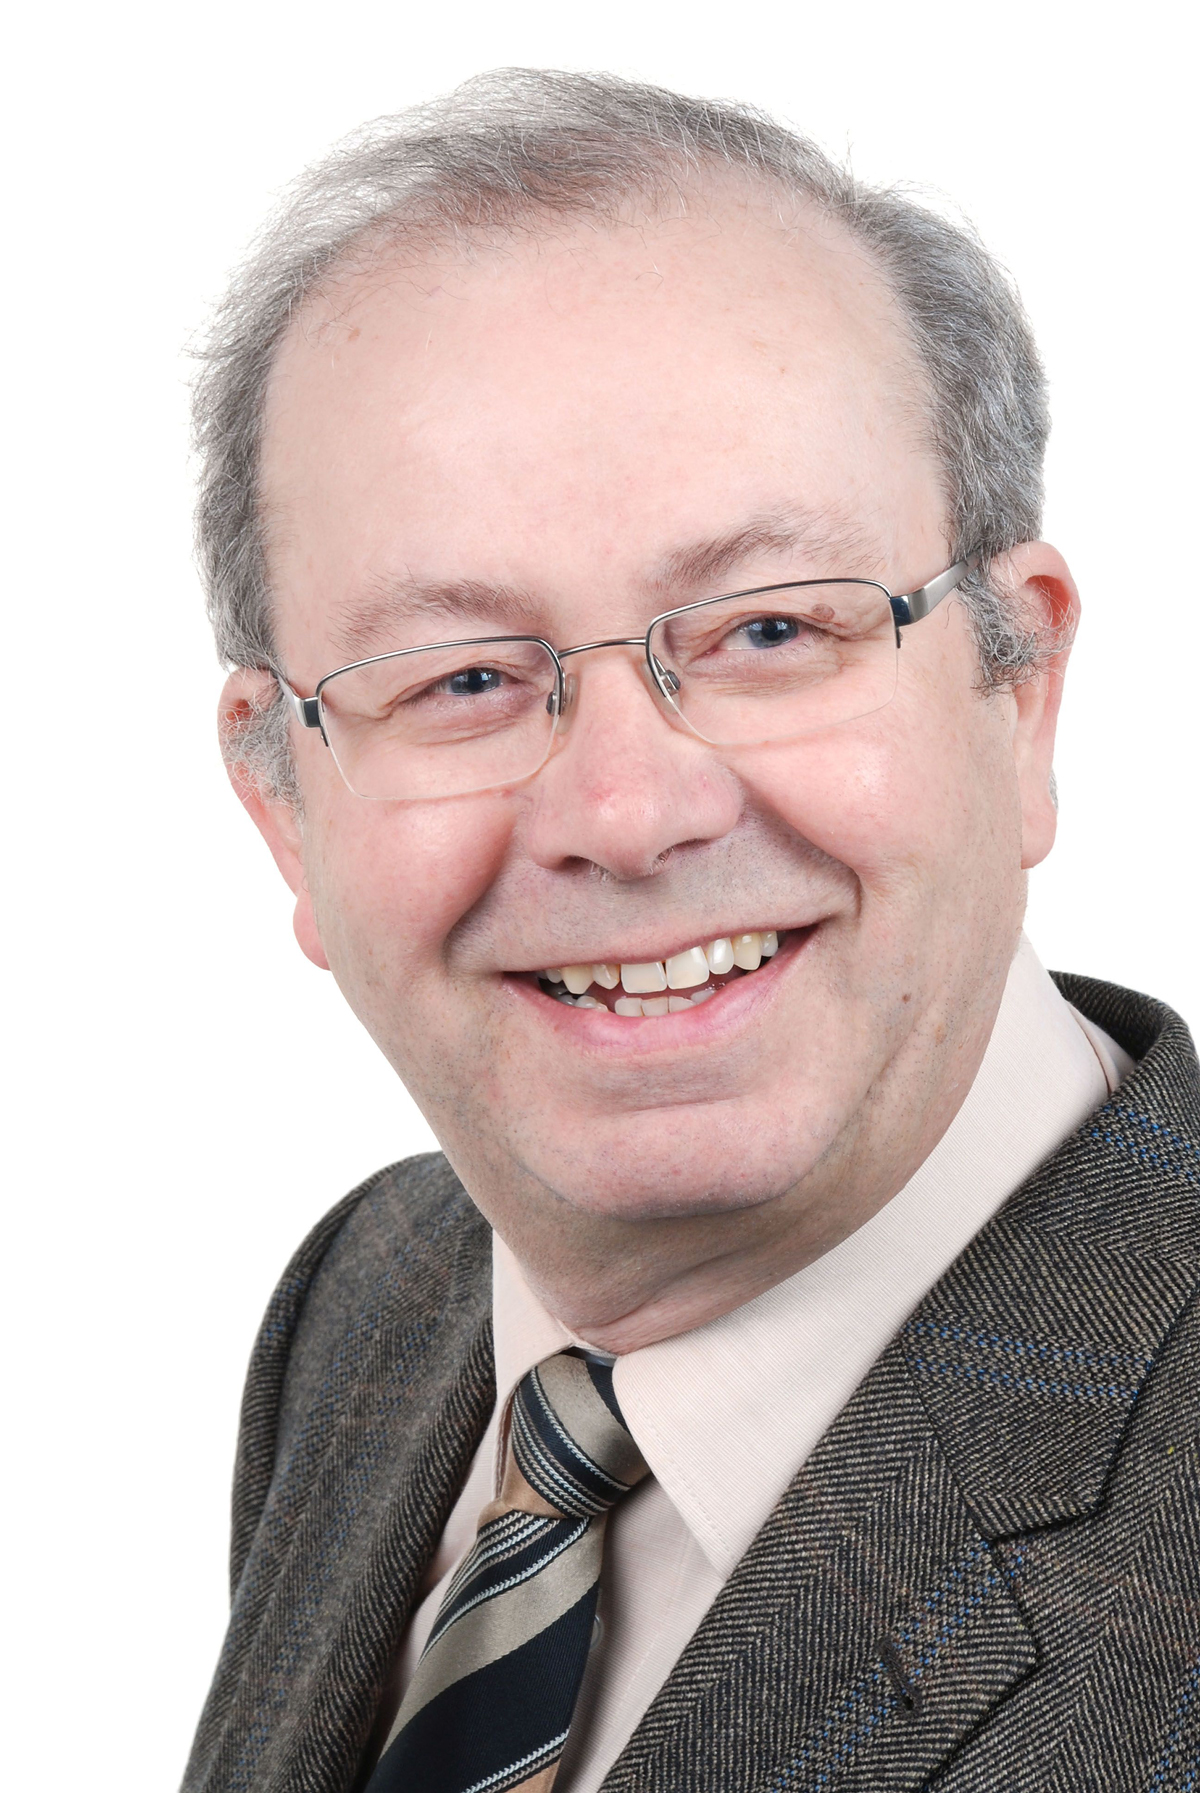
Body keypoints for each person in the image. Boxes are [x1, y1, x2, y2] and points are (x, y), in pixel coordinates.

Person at [182, 69, 1200, 1793]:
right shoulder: (372, 1302)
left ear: (1019, 690)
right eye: (466, 677)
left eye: (769, 631)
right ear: (286, 800)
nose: (628, 809)